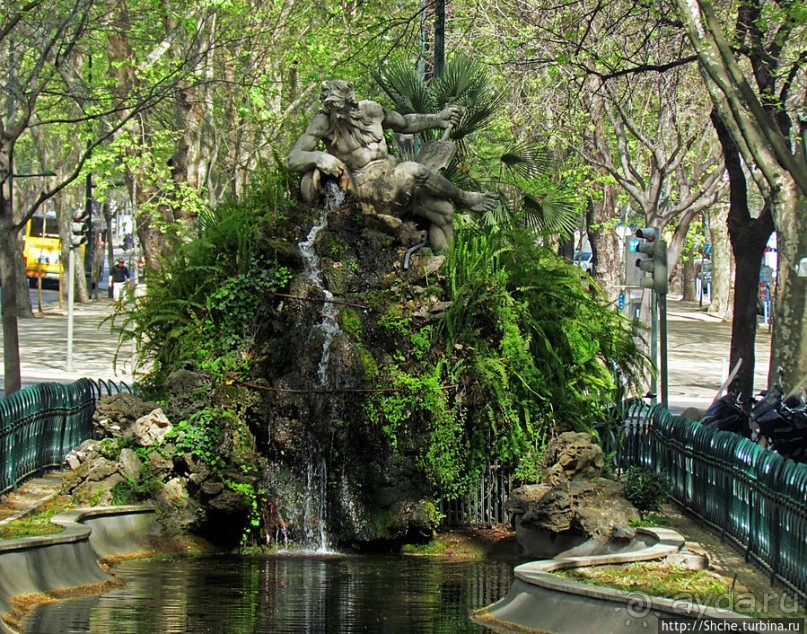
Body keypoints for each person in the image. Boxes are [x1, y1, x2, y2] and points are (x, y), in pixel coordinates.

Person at [287, 80, 497, 250]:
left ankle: (448, 274)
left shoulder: (372, 111)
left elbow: (405, 123)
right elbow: (293, 158)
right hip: (367, 191)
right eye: (332, 110)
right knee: (414, 169)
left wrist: (437, 119)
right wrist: (318, 157)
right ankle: (465, 198)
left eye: (341, 109)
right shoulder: (324, 122)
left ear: (352, 103)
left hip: (394, 184)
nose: (338, 115)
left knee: (444, 211)